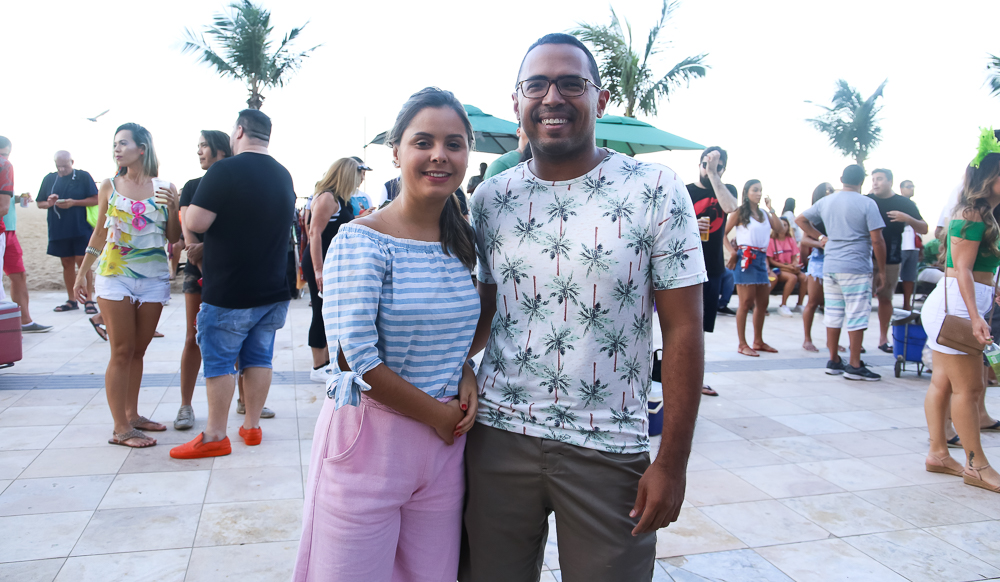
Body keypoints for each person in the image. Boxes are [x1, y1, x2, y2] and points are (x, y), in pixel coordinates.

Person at [461, 33, 706, 582]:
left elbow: (685, 329)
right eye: (537, 84)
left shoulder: (656, 188)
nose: (553, 97)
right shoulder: (491, 198)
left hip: (609, 445)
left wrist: (671, 461)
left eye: (572, 83)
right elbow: (487, 308)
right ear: (516, 101)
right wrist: (451, 360)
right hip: (499, 438)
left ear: (601, 97)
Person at [293, 87, 480, 581]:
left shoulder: (461, 241)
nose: (439, 154)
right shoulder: (361, 240)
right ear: (396, 152)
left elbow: (456, 330)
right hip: (371, 438)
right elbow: (357, 360)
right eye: (424, 141)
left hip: (444, 447)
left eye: (454, 143)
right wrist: (439, 417)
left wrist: (464, 371)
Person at [170, 109, 295, 459]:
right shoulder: (283, 175)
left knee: (221, 362)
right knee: (259, 358)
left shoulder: (226, 170)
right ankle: (252, 427)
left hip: (229, 291)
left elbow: (195, 219)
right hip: (273, 289)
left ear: (239, 131)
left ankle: (214, 435)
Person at [72, 123, 180, 447]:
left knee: (138, 351)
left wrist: (173, 207)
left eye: (123, 143)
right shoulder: (109, 185)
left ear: (142, 148)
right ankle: (121, 429)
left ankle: (132, 415)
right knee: (120, 351)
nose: (117, 149)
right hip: (114, 274)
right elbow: (100, 234)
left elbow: (173, 239)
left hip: (153, 277)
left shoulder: (165, 187)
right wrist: (82, 273)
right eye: (115, 144)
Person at [922, 140, 1000, 493]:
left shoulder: (984, 214)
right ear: (990, 178)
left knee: (943, 382)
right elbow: (962, 271)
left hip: (957, 304)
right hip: (957, 307)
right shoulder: (973, 213)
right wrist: (975, 317)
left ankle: (939, 454)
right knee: (969, 388)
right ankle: (977, 465)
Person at [797, 165, 886, 381]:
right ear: (862, 181)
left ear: (841, 179)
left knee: (833, 313)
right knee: (856, 314)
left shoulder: (827, 201)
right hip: (856, 266)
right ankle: (855, 364)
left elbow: (801, 219)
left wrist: (820, 238)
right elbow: (876, 239)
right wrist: (881, 270)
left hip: (831, 266)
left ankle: (834, 360)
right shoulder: (867, 203)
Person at [173, 130, 232, 430]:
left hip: (231, 268)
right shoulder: (193, 186)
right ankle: (185, 405)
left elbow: (239, 226)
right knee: (192, 336)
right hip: (197, 270)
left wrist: (208, 248)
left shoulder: (235, 181)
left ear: (220, 149)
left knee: (237, 336)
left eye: (204, 146)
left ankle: (247, 399)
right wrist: (197, 253)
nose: (199, 152)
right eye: (197, 146)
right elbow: (187, 228)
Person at [302, 157, 358, 384]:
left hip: (330, 264)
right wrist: (318, 270)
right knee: (319, 311)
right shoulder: (327, 198)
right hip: (320, 263)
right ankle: (318, 366)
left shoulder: (339, 200)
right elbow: (313, 233)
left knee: (328, 313)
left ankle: (325, 362)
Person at [687, 146, 737, 395]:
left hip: (713, 268)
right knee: (682, 326)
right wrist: (690, 224)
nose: (709, 170)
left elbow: (730, 208)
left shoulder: (727, 191)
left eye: (718, 166)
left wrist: (715, 174)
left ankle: (696, 380)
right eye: (706, 164)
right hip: (686, 268)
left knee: (702, 330)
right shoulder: (686, 191)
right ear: (699, 164)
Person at [867, 168, 927, 352]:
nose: (875, 183)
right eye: (873, 179)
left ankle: (883, 339)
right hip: (866, 257)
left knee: (886, 298)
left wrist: (907, 218)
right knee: (861, 299)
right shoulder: (867, 200)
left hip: (891, 259)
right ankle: (857, 342)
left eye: (879, 179)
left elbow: (924, 228)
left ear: (890, 182)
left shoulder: (903, 203)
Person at [36, 151, 100, 319]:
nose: (62, 169)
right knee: (66, 263)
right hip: (58, 227)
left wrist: (74, 203)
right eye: (59, 166)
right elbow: (40, 203)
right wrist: (49, 203)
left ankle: (88, 300)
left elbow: (96, 199)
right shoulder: (49, 179)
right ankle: (72, 300)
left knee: (83, 261)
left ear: (72, 162)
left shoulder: (83, 176)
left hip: (81, 226)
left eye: (65, 165)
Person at [724, 180, 783, 357]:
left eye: (760, 190)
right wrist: (732, 252)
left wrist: (771, 208)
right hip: (746, 258)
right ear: (747, 192)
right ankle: (742, 343)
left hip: (761, 259)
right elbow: (723, 234)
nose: (758, 193)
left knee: (762, 302)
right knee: (746, 302)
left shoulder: (764, 214)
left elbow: (779, 230)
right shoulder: (740, 212)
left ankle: (758, 340)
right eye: (754, 190)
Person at [0, 138, 50, 333]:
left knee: (18, 274)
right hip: (3, 229)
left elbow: (6, 202)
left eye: (5, 154)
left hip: (8, 230)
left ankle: (25, 321)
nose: (3, 158)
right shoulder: (5, 167)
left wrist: (21, 198)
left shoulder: (5, 169)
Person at [799, 182, 844, 353]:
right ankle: (807, 339)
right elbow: (804, 240)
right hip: (819, 261)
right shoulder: (814, 216)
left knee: (834, 304)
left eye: (832, 191)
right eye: (827, 191)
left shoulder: (838, 214)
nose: (830, 194)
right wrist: (821, 242)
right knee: (813, 301)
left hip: (836, 261)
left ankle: (832, 341)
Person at [768, 216, 807, 316]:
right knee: (792, 278)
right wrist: (787, 267)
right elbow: (771, 260)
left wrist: (794, 264)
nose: (783, 227)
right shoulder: (771, 240)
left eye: (785, 225)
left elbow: (795, 257)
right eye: (780, 225)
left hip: (790, 267)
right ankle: (783, 305)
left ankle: (799, 304)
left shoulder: (790, 240)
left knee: (803, 277)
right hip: (778, 268)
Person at [898, 179, 922, 311]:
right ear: (901, 189)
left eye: (912, 186)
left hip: (913, 245)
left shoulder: (913, 204)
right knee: (895, 275)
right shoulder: (897, 202)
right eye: (908, 187)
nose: (911, 189)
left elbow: (919, 224)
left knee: (910, 276)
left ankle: (907, 304)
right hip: (901, 245)